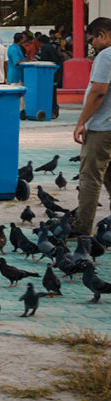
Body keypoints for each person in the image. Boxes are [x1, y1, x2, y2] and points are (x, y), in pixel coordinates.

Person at [72, 17, 111, 237]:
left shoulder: (106, 56)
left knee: (90, 179)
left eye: (92, 40)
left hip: (102, 128)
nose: (92, 45)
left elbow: (98, 92)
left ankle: (82, 229)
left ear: (103, 35)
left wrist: (81, 123)